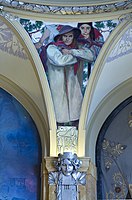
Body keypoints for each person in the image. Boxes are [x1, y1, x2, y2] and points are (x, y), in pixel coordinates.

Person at [46, 25, 94, 126]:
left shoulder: (75, 48)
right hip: (58, 89)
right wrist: (76, 57)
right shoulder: (52, 47)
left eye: (70, 36)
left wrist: (72, 52)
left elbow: (90, 56)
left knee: (76, 116)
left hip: (73, 88)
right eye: (65, 36)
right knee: (58, 118)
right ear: (60, 37)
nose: (67, 39)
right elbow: (60, 61)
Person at [77, 22, 104, 94]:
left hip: (93, 64)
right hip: (81, 66)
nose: (85, 30)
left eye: (87, 28)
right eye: (82, 28)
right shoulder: (77, 39)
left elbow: (101, 50)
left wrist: (92, 44)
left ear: (90, 29)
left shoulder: (96, 36)